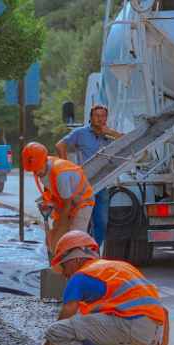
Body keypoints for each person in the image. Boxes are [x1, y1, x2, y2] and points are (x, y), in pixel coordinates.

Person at [21, 230, 170, 345]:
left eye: (63, 265)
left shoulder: (79, 276)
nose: (64, 273)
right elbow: (164, 312)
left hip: (130, 326)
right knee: (93, 333)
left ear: (76, 260)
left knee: (57, 331)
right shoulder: (117, 268)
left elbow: (60, 326)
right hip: (154, 332)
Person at [55, 104, 125, 248]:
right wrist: (66, 168)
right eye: (96, 116)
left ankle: (92, 251)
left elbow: (127, 141)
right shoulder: (81, 132)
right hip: (82, 185)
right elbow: (60, 145)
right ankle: (78, 250)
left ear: (106, 118)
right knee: (80, 222)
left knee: (101, 223)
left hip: (101, 184)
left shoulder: (109, 135)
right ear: (90, 118)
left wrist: (111, 132)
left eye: (102, 116)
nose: (99, 119)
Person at [22, 142, 95, 255]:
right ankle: (61, 263)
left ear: (45, 160)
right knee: (57, 241)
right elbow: (49, 187)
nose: (36, 172)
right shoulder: (41, 169)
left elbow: (67, 206)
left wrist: (52, 232)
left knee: (76, 240)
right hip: (66, 201)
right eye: (34, 170)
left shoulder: (61, 176)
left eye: (38, 168)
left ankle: (84, 259)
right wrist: (47, 202)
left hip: (82, 202)